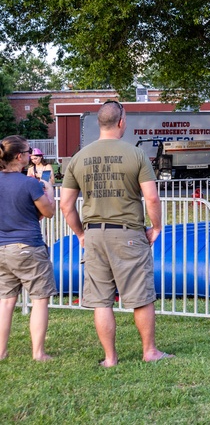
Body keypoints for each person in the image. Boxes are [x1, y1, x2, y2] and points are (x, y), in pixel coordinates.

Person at [59, 101, 172, 367]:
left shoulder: (78, 157)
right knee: (141, 296)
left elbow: (65, 205)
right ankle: (149, 351)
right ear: (121, 122)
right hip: (129, 234)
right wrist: (156, 228)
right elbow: (152, 198)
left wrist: (80, 234)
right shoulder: (135, 154)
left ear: (100, 123)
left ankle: (110, 358)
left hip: (94, 235)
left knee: (101, 300)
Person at [0, 136, 57, 361]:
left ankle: (1, 352)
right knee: (40, 299)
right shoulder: (30, 183)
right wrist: (49, 191)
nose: (29, 154)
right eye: (27, 151)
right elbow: (49, 211)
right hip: (28, 248)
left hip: (2, 249)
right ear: (19, 156)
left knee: (5, 302)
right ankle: (38, 353)